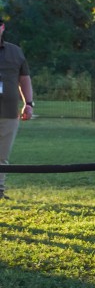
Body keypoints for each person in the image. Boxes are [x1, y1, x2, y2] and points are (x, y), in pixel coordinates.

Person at [0, 18, 35, 200]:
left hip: (8, 112)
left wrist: (28, 103)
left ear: (3, 27)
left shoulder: (15, 52)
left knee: (2, 155)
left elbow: (24, 79)